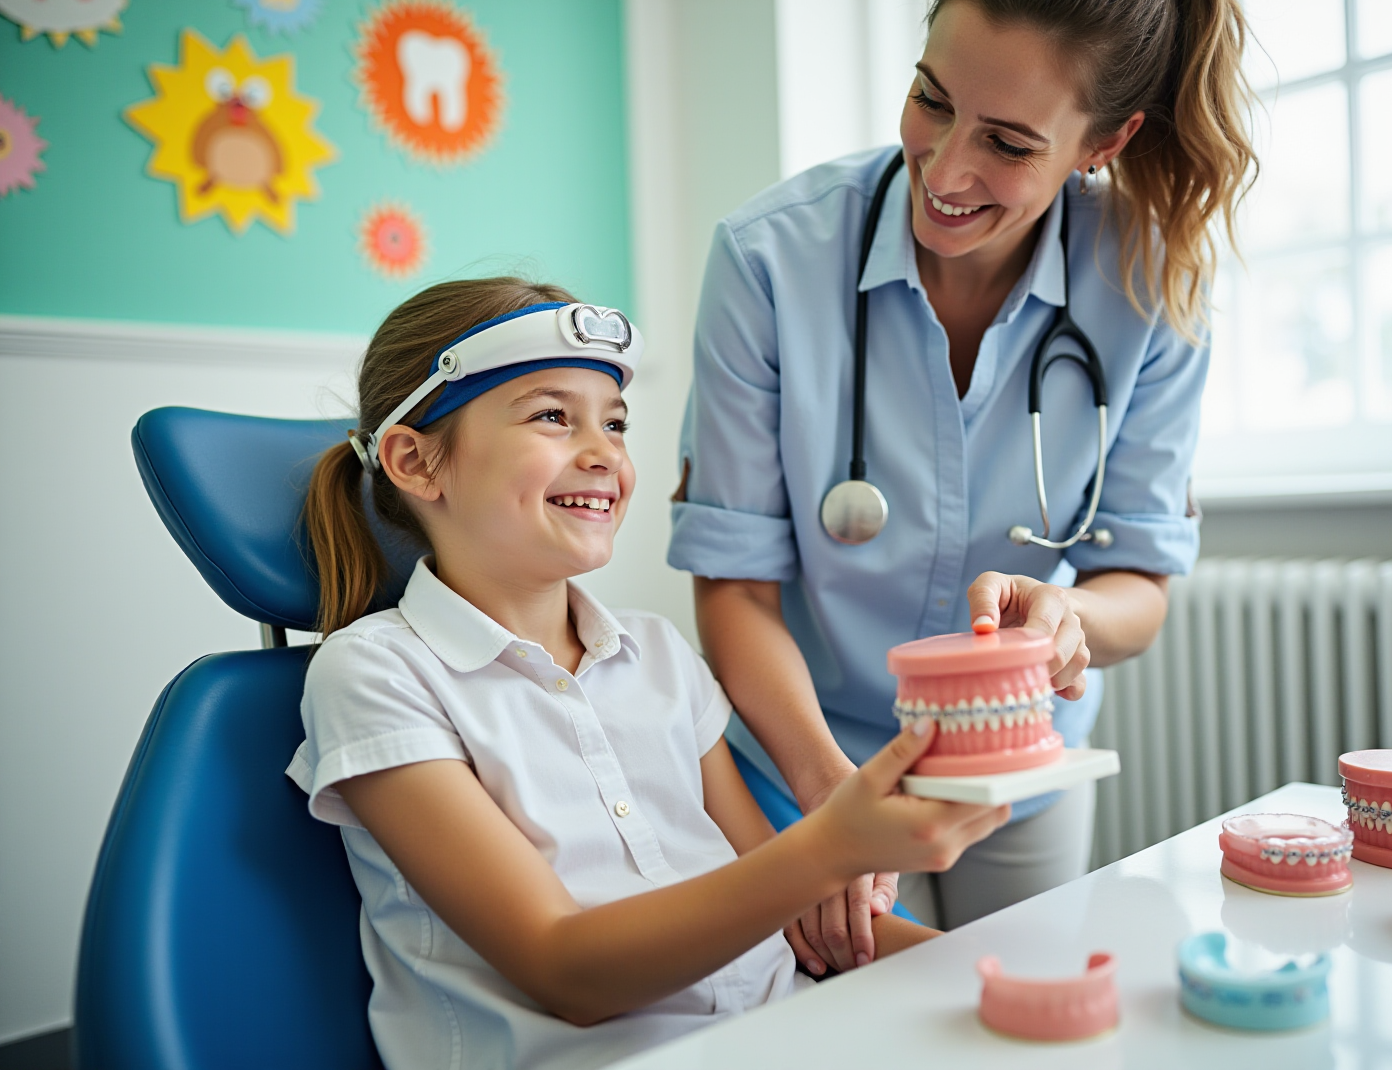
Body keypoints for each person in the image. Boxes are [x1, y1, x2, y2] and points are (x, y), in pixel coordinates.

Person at [285, 277, 1008, 1070]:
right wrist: (829, 848)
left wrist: (998, 969)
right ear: (416, 462)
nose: (605, 454)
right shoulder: (375, 676)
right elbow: (567, 971)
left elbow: (803, 924)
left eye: (616, 423)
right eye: (552, 416)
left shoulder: (659, 654)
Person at [669, 0, 1254, 969]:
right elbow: (736, 590)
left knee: (1017, 1000)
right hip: (805, 747)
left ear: (1104, 142)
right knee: (840, 1018)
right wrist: (830, 806)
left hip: (1019, 763)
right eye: (931, 100)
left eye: (1009, 144)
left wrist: (1069, 617)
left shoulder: (1151, 281)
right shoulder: (769, 259)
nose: (943, 171)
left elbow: (1138, 589)